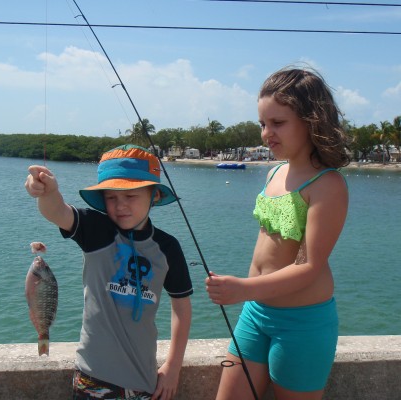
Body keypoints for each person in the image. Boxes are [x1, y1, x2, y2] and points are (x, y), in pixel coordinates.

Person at [205, 66, 350, 400]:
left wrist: (242, 288)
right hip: (255, 314)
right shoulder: (273, 173)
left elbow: (309, 266)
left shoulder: (328, 185)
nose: (266, 133)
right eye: (262, 124)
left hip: (303, 324)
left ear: (312, 121)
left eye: (278, 123)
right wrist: (247, 294)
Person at [25, 144, 193, 400]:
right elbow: (56, 211)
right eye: (112, 197)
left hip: (143, 382)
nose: (120, 205)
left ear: (154, 196)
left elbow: (181, 306)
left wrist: (173, 366)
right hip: (90, 379)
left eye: (131, 196)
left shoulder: (168, 248)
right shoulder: (97, 231)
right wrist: (47, 192)